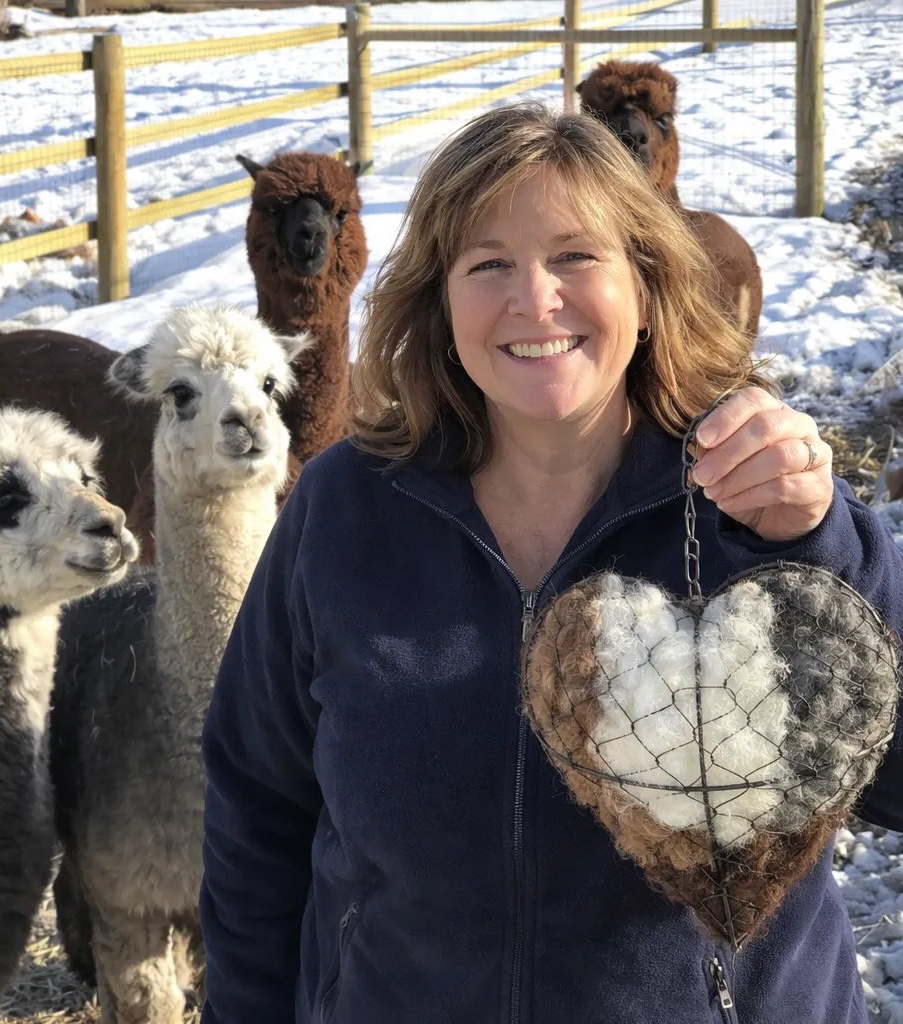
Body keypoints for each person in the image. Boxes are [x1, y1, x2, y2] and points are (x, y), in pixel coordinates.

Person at [199, 102, 903, 1024]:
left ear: (645, 285)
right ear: (440, 300)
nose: (534, 301)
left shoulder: (754, 498)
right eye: (488, 264)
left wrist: (817, 548)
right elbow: (256, 811)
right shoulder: (345, 509)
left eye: (576, 255)